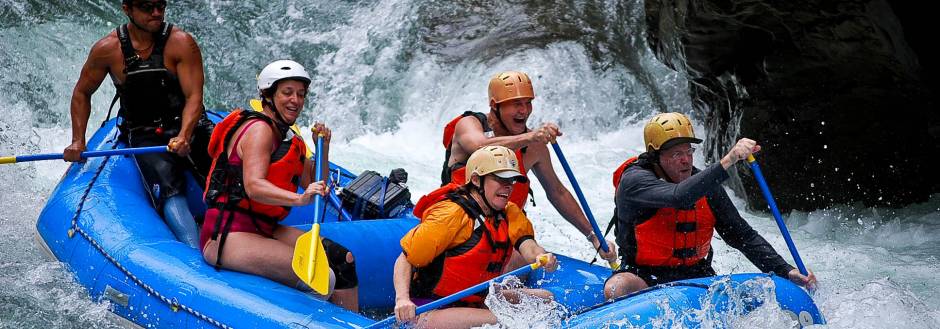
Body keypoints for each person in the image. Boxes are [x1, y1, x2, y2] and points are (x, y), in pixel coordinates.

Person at [603, 112, 817, 299]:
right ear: (655, 156)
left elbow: (742, 236)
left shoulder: (704, 185)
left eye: (689, 151)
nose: (686, 160)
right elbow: (679, 197)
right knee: (616, 288)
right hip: (643, 275)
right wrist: (730, 159)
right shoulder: (635, 181)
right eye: (677, 154)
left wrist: (785, 270)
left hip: (696, 275)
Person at [200, 60, 358, 311]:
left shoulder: (287, 134)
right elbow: (253, 185)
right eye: (287, 92)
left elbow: (316, 184)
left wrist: (323, 147)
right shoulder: (259, 129)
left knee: (342, 259)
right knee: (322, 279)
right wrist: (298, 199)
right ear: (268, 95)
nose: (295, 100)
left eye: (301, 94)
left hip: (263, 227)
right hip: (229, 234)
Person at [63, 0, 214, 248]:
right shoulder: (107, 49)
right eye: (147, 7)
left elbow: (194, 97)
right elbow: (82, 93)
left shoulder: (181, 43)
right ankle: (193, 250)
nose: (156, 13)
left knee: (227, 175)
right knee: (169, 189)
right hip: (145, 134)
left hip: (189, 124)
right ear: (127, 9)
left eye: (161, 6)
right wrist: (78, 140)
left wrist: (185, 135)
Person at [433, 70, 617, 265]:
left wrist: (593, 235)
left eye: (528, 103)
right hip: (460, 222)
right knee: (518, 262)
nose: (524, 110)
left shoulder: (534, 146)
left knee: (541, 262)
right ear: (495, 106)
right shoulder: (469, 124)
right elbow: (479, 146)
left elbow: (557, 192)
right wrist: (530, 137)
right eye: (516, 104)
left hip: (504, 228)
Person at [394, 146, 558, 328]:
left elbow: (528, 245)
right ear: (476, 180)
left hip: (475, 300)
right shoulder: (451, 214)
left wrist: (540, 256)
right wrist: (402, 299)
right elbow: (405, 258)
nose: (508, 186)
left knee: (546, 298)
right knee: (505, 321)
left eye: (511, 180)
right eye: (499, 179)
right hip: (430, 309)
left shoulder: (509, 211)